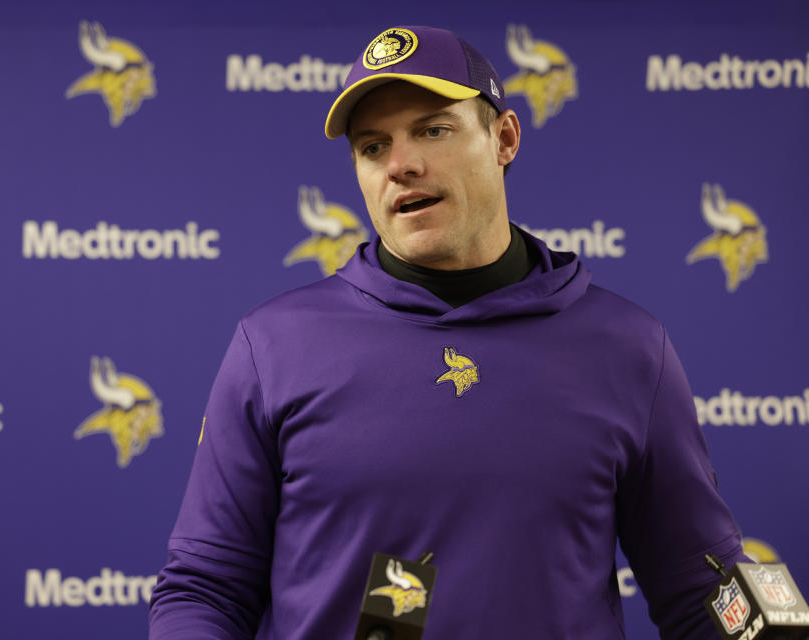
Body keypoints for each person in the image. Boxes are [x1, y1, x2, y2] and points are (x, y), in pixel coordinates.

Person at [149, 26, 746, 639]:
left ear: (504, 138)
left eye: (433, 130)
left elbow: (706, 591)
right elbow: (205, 588)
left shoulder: (629, 348)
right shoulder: (272, 346)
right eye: (372, 146)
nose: (401, 165)